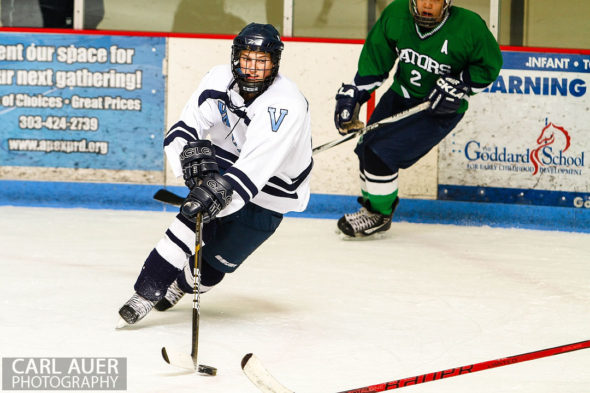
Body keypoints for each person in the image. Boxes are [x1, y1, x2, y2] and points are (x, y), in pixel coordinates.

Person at [118, 23, 313, 325]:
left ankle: (179, 286)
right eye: (247, 59)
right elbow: (185, 128)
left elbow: (255, 167)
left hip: (274, 190)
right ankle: (144, 294)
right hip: (228, 162)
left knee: (216, 264)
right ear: (236, 57)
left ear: (274, 64)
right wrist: (189, 168)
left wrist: (219, 193)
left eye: (261, 62)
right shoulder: (218, 78)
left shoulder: (285, 106)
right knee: (192, 217)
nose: (252, 69)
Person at [333, 0, 502, 238]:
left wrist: (461, 84)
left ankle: (379, 215)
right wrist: (357, 95)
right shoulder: (396, 14)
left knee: (381, 154)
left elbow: (489, 67)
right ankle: (370, 207)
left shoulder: (469, 25)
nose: (427, 4)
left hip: (438, 109)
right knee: (365, 147)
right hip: (400, 95)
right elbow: (376, 57)